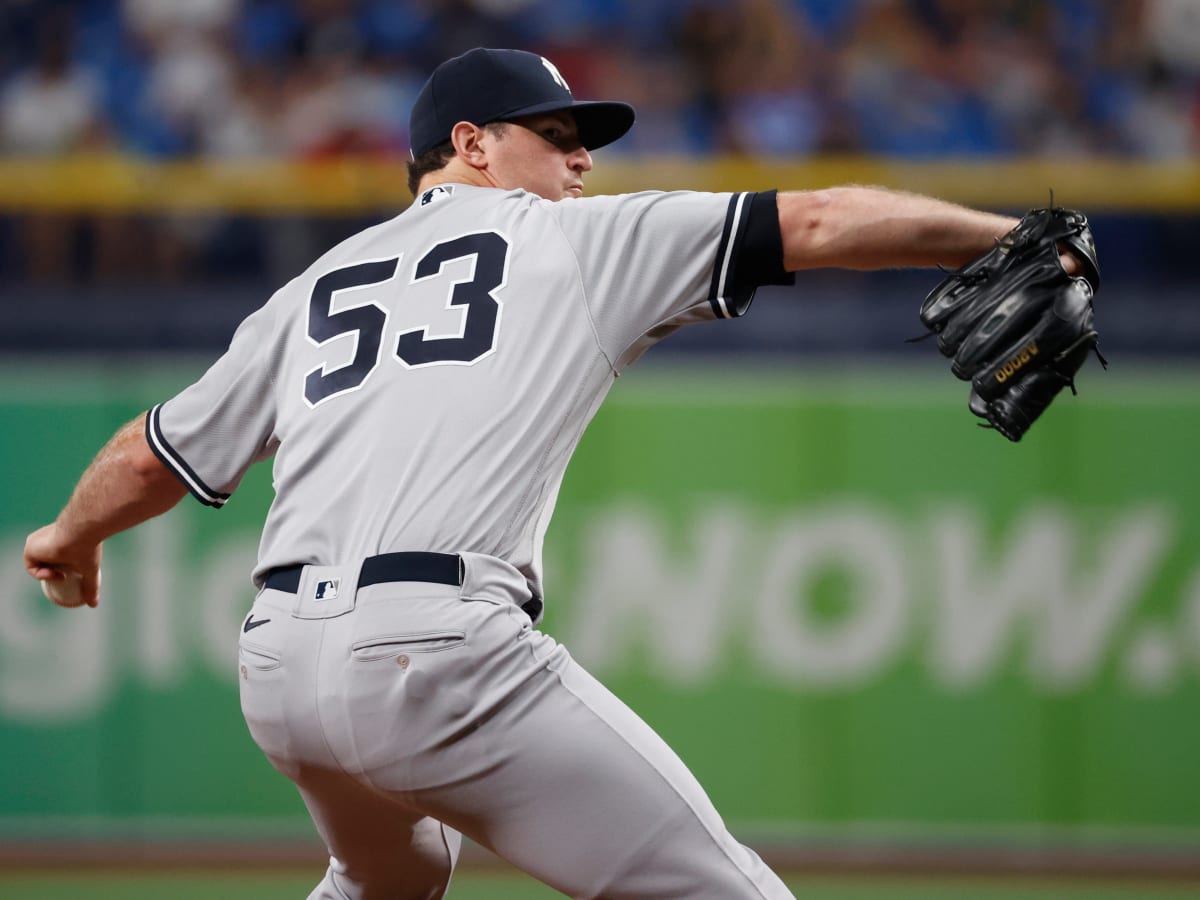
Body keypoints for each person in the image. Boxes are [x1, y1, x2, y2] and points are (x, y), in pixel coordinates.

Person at [26, 47, 1027, 899]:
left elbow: (150, 451)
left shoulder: (312, 288)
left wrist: (70, 536)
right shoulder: (571, 240)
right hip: (436, 658)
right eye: (555, 135)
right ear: (474, 146)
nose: (584, 155)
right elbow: (812, 221)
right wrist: (1009, 239)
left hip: (280, 669)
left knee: (391, 882)